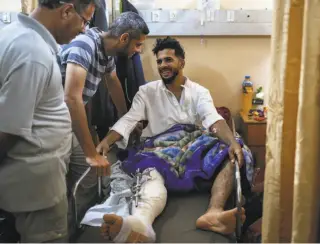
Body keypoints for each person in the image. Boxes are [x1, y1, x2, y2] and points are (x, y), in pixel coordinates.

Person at [96, 37, 247, 242]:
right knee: (151, 168)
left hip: (192, 148)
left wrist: (232, 142)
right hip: (158, 151)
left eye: (168, 60)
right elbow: (130, 119)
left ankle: (213, 212)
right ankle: (141, 223)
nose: (162, 66)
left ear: (181, 62)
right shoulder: (147, 92)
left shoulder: (199, 92)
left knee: (232, 155)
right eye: (159, 62)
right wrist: (107, 140)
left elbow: (213, 119)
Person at [0, 0, 97, 242]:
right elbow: (6, 130)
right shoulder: (32, 53)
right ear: (66, 11)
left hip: (31, 178)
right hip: (35, 187)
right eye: (84, 20)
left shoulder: (12, 34)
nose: (85, 29)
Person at [57, 11, 150, 221]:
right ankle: (61, 227)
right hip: (52, 125)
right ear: (124, 38)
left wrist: (128, 119)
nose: (138, 51)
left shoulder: (105, 49)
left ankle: (75, 225)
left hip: (68, 123)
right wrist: (91, 153)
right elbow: (72, 99)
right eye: (137, 45)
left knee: (91, 176)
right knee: (60, 186)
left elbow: (113, 81)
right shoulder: (84, 46)